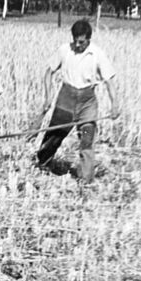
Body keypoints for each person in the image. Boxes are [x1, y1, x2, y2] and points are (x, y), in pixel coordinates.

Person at [34, 19, 120, 183]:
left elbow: (109, 80)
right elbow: (48, 73)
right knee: (55, 135)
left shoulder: (97, 54)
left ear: (89, 39)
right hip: (66, 98)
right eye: (75, 41)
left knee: (87, 138)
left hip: (87, 102)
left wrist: (115, 104)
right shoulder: (64, 50)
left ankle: (86, 178)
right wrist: (48, 96)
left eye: (81, 42)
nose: (78, 45)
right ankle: (43, 163)